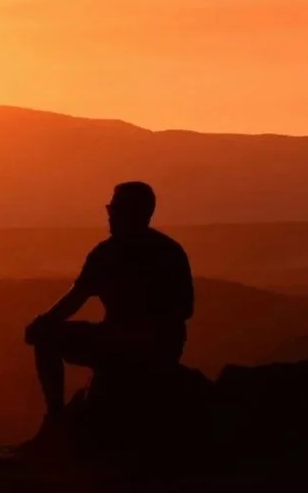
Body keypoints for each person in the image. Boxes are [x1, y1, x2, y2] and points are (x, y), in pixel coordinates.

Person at [24, 181, 194, 424]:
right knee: (46, 334)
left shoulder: (163, 254)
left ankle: (57, 415)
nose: (110, 215)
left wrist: (137, 330)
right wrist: (45, 322)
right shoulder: (110, 253)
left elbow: (183, 309)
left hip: (152, 345)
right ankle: (56, 415)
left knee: (48, 336)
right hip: (128, 339)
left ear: (138, 212)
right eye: (111, 208)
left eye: (116, 209)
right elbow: (77, 297)